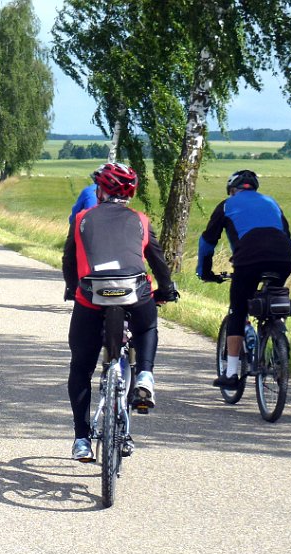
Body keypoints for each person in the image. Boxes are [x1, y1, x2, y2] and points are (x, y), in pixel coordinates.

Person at [63, 162, 177, 462]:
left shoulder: (83, 218)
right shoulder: (141, 219)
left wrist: (70, 288)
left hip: (92, 295)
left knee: (81, 368)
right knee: (147, 327)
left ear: (100, 190)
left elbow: (69, 259)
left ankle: (81, 439)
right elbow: (158, 259)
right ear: (130, 192)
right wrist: (166, 289)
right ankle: (145, 378)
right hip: (134, 292)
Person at [197, 169, 291, 389]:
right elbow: (286, 236)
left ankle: (231, 374)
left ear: (232, 190)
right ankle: (277, 343)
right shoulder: (272, 203)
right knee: (273, 301)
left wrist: (204, 272)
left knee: (238, 311)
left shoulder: (227, 205)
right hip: (284, 259)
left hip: (249, 261)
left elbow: (207, 243)